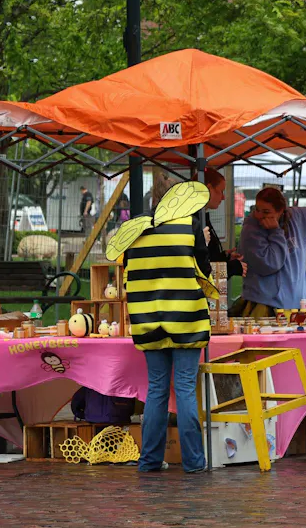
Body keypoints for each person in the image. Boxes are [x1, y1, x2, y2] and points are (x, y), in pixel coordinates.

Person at [106, 181, 215, 473]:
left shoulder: (135, 229)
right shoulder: (189, 227)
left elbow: (127, 272)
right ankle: (194, 462)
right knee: (185, 389)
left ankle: (150, 460)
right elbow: (204, 271)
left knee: (156, 389)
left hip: (148, 320)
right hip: (187, 319)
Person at [233, 155, 306, 316]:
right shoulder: (251, 228)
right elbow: (269, 263)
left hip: (298, 302)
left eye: (266, 212)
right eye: (257, 209)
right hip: (265, 305)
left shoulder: (297, 217)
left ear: (281, 211)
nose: (259, 215)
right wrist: (276, 233)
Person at [202, 169, 247, 279]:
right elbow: (202, 270)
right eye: (221, 191)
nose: (223, 197)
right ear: (209, 189)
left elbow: (207, 256)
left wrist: (224, 257)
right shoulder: (195, 222)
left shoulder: (202, 217)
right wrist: (232, 267)